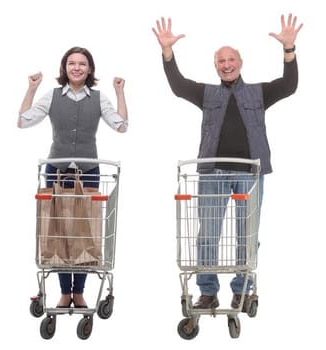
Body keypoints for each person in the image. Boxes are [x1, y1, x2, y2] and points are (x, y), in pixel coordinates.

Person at [152, 14, 301, 310]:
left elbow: (289, 85)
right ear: (216, 66)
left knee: (246, 236)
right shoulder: (207, 94)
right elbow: (179, 85)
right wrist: (168, 54)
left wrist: (288, 50)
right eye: (221, 61)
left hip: (251, 173)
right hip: (213, 172)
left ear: (240, 63)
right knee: (208, 234)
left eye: (231, 59)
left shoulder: (258, 92)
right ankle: (207, 292)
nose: (226, 64)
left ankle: (242, 289)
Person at [18, 47, 128, 309]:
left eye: (82, 64)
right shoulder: (53, 95)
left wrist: (120, 92)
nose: (76, 68)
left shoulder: (99, 98)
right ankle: (63, 291)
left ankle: (77, 292)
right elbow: (23, 121)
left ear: (90, 69)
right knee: (58, 233)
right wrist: (32, 89)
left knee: (83, 232)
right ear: (64, 68)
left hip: (89, 172)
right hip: (56, 171)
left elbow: (121, 125)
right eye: (71, 63)